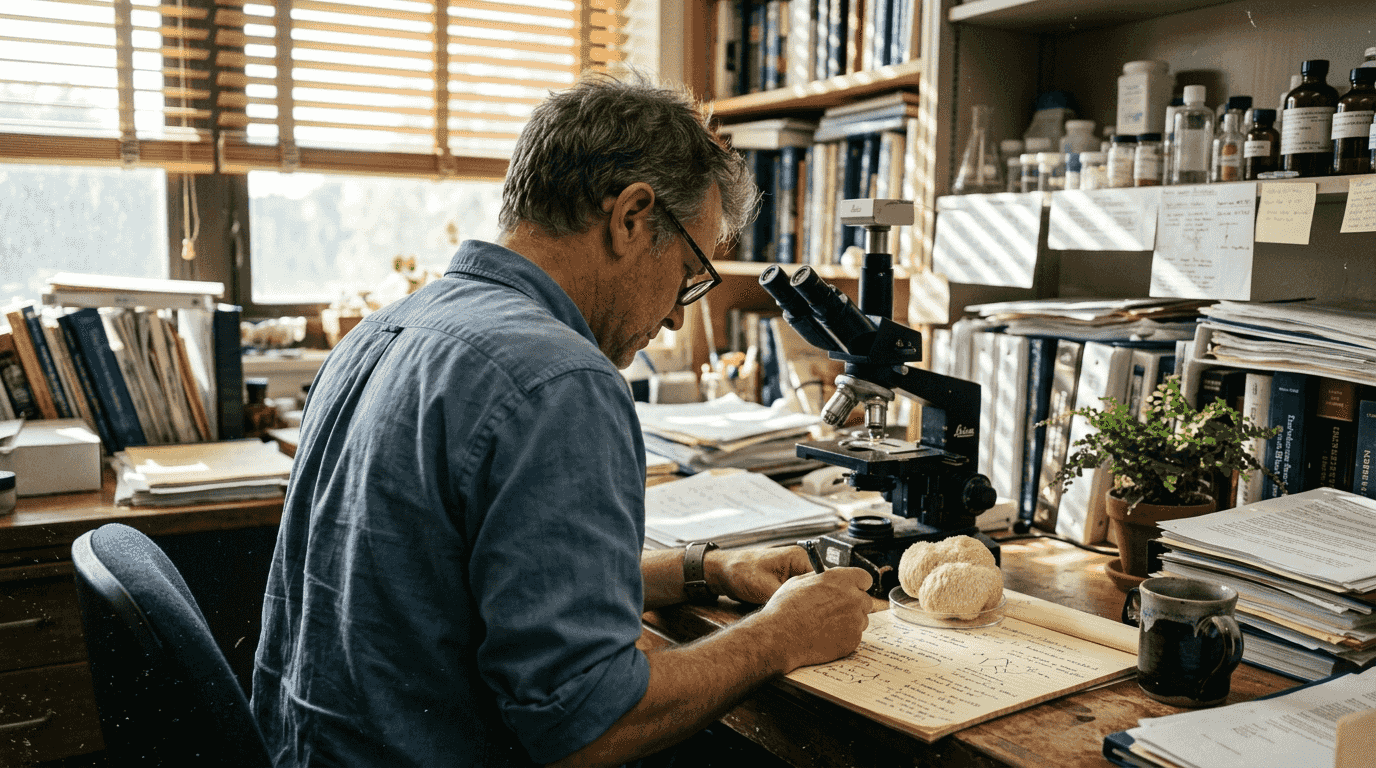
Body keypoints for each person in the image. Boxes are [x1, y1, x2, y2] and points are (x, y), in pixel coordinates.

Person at [251, 73, 874, 768]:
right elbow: (588, 724)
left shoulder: (380, 332)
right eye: (690, 273)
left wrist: (710, 570)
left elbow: (469, 582)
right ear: (633, 217)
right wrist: (779, 636)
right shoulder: (561, 378)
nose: (675, 315)